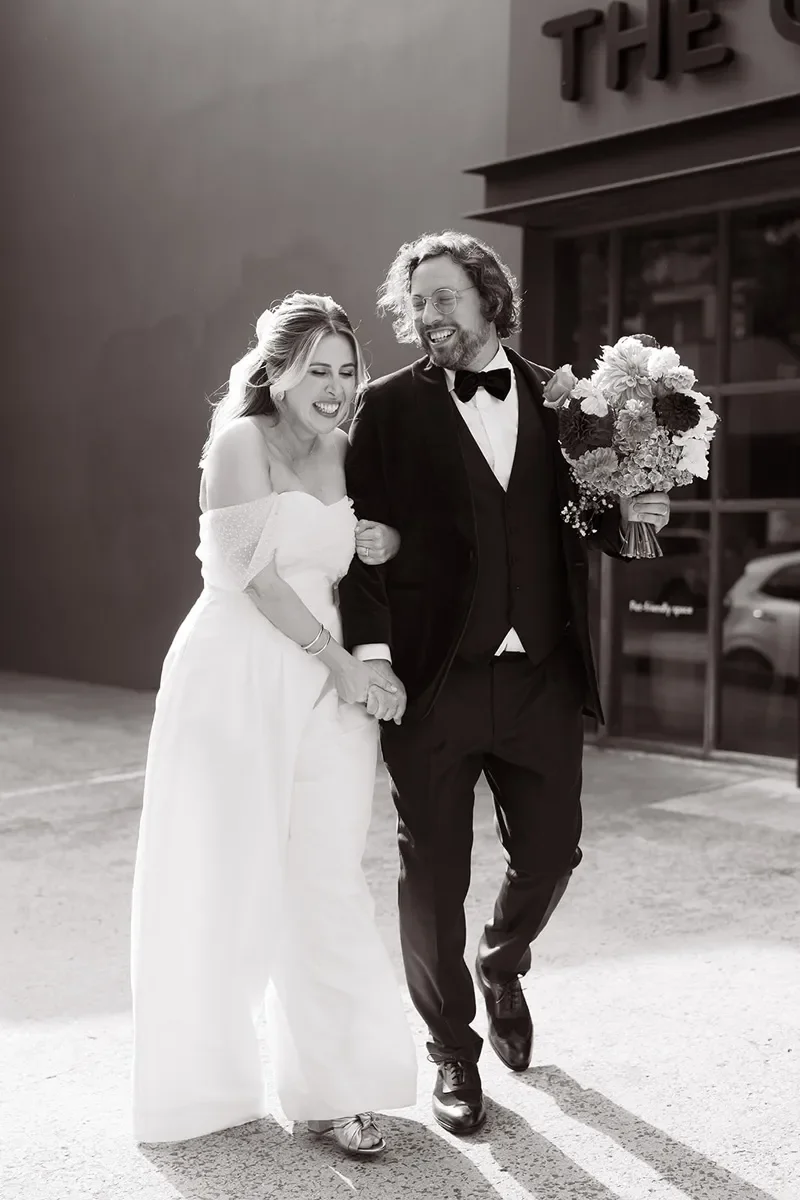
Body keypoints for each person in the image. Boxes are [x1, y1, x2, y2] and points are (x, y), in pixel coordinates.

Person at [338, 233, 670, 1136]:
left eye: (446, 297)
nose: (429, 316)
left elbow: (586, 514)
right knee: (431, 878)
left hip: (542, 679)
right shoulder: (384, 409)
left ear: (489, 296)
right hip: (434, 682)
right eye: (419, 304)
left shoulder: (569, 401)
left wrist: (628, 513)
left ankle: (503, 960)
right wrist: (373, 661)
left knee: (555, 850)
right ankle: (452, 1050)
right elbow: (355, 542)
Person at [130, 292, 417, 1156]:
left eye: (345, 370)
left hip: (326, 686)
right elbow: (253, 575)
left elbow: (359, 550)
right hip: (240, 676)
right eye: (316, 370)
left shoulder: (343, 449)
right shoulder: (238, 443)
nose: (334, 387)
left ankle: (338, 1089)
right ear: (278, 371)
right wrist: (344, 666)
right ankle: (201, 1088)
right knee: (223, 874)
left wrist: (386, 545)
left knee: (327, 877)